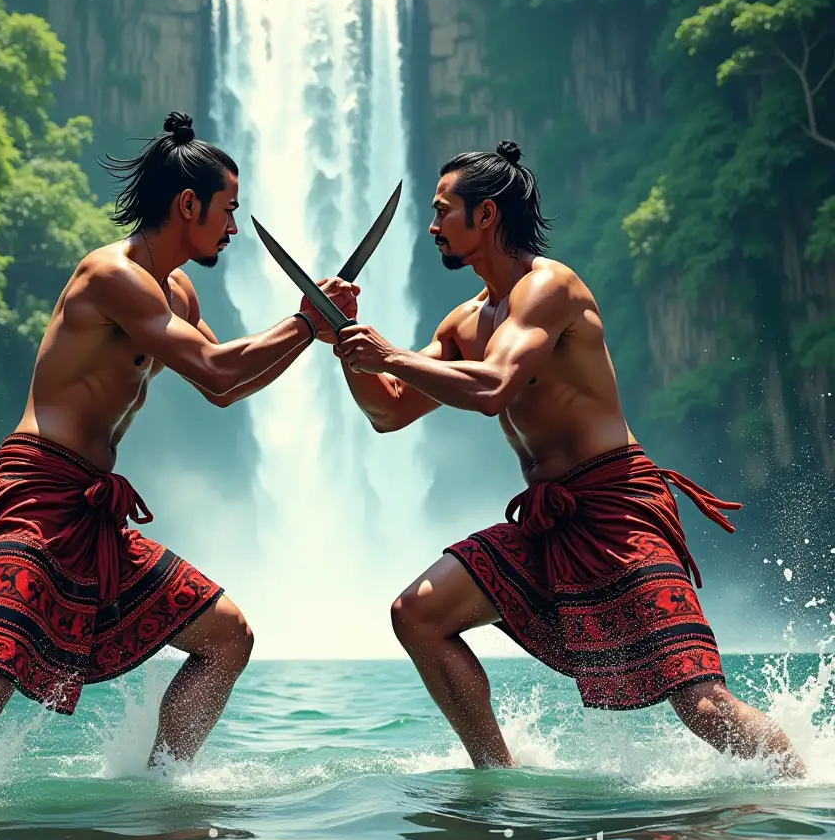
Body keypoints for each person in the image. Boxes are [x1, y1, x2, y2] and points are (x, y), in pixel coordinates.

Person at [0, 111, 358, 796]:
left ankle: (161, 791)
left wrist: (310, 333)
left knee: (227, 637)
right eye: (228, 210)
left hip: (89, 510)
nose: (234, 227)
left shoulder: (176, 290)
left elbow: (223, 389)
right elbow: (216, 367)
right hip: (32, 499)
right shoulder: (113, 275)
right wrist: (306, 319)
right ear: (188, 205)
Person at [333, 140, 804, 776]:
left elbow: (493, 385)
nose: (432, 225)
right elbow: (390, 411)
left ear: (488, 215)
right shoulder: (465, 319)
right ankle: (495, 777)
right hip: (548, 521)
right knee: (417, 614)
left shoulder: (549, 288)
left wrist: (387, 352)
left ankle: (799, 792)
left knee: (699, 700)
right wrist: (342, 338)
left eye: (444, 211)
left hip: (618, 510)